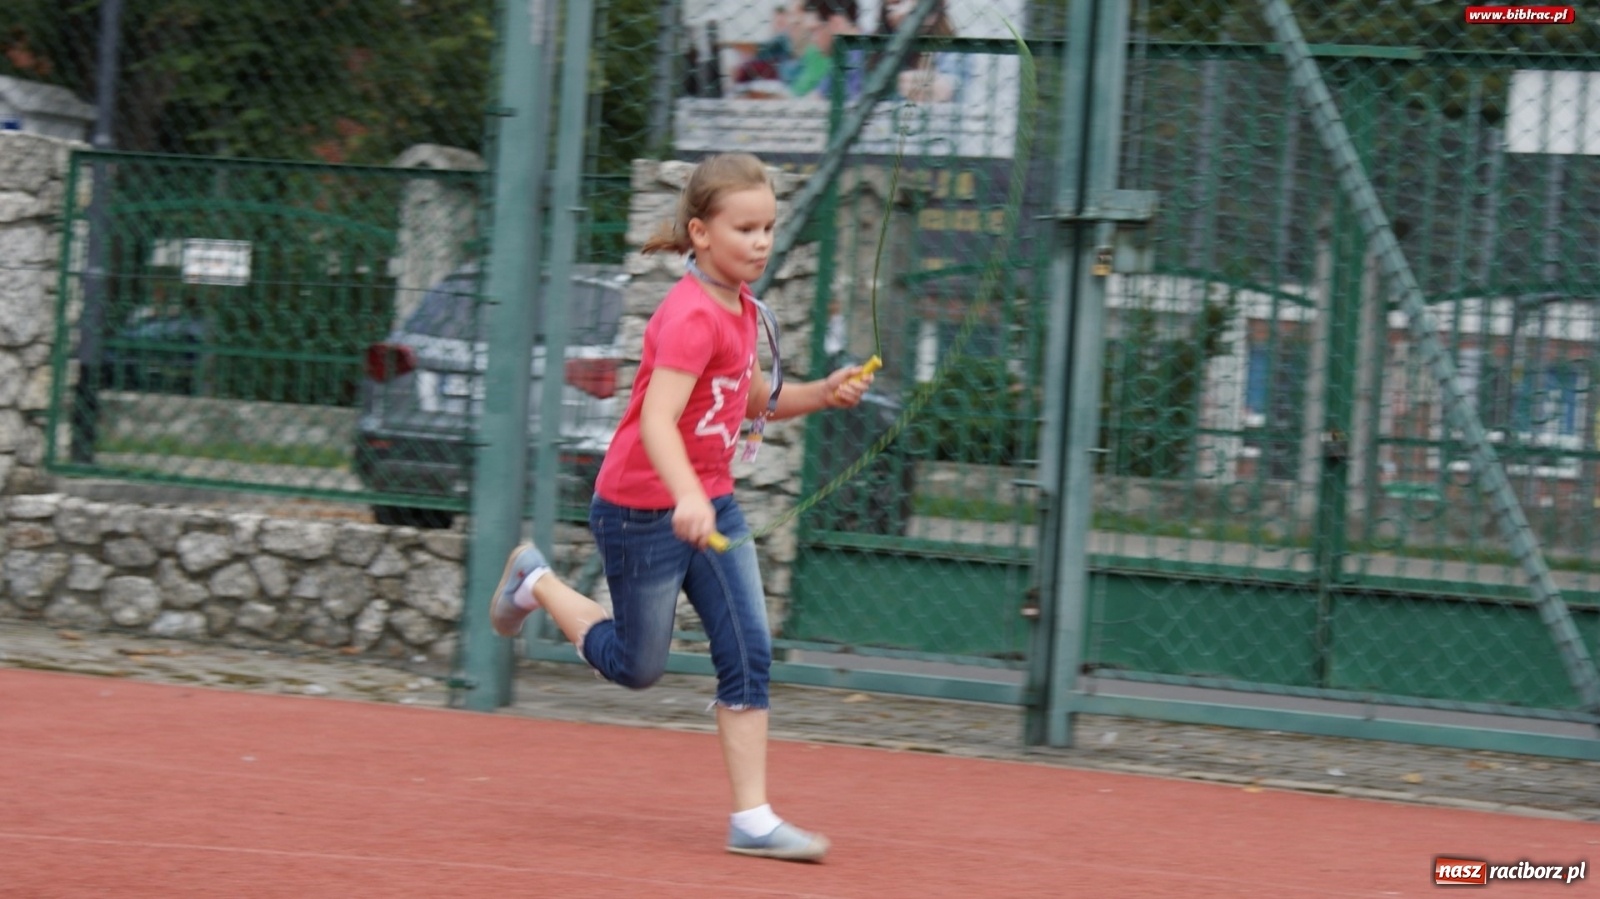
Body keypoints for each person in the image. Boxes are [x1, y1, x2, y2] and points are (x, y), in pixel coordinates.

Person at [488, 153, 875, 862]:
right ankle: (535, 580)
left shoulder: (743, 308)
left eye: (768, 228)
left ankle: (752, 818)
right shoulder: (689, 316)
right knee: (638, 667)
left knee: (749, 654)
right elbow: (658, 420)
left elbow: (749, 398)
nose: (760, 242)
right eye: (745, 228)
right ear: (700, 231)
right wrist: (686, 494)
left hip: (712, 507)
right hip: (640, 509)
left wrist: (823, 391)